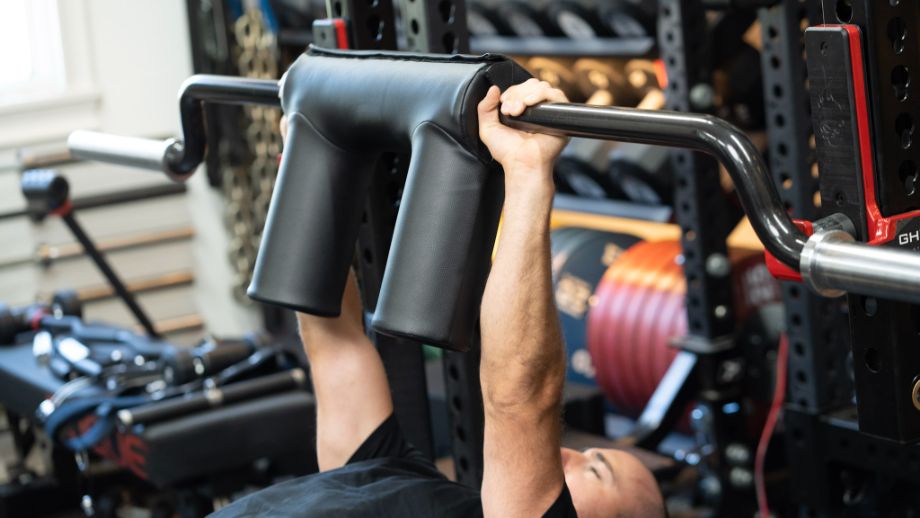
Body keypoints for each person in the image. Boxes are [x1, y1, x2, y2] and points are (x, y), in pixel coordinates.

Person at [213, 79, 665, 517]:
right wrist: (309, 162)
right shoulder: (395, 475)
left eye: (598, 469)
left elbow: (522, 399)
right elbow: (334, 342)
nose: (569, 452)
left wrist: (529, 172)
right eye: (593, 454)